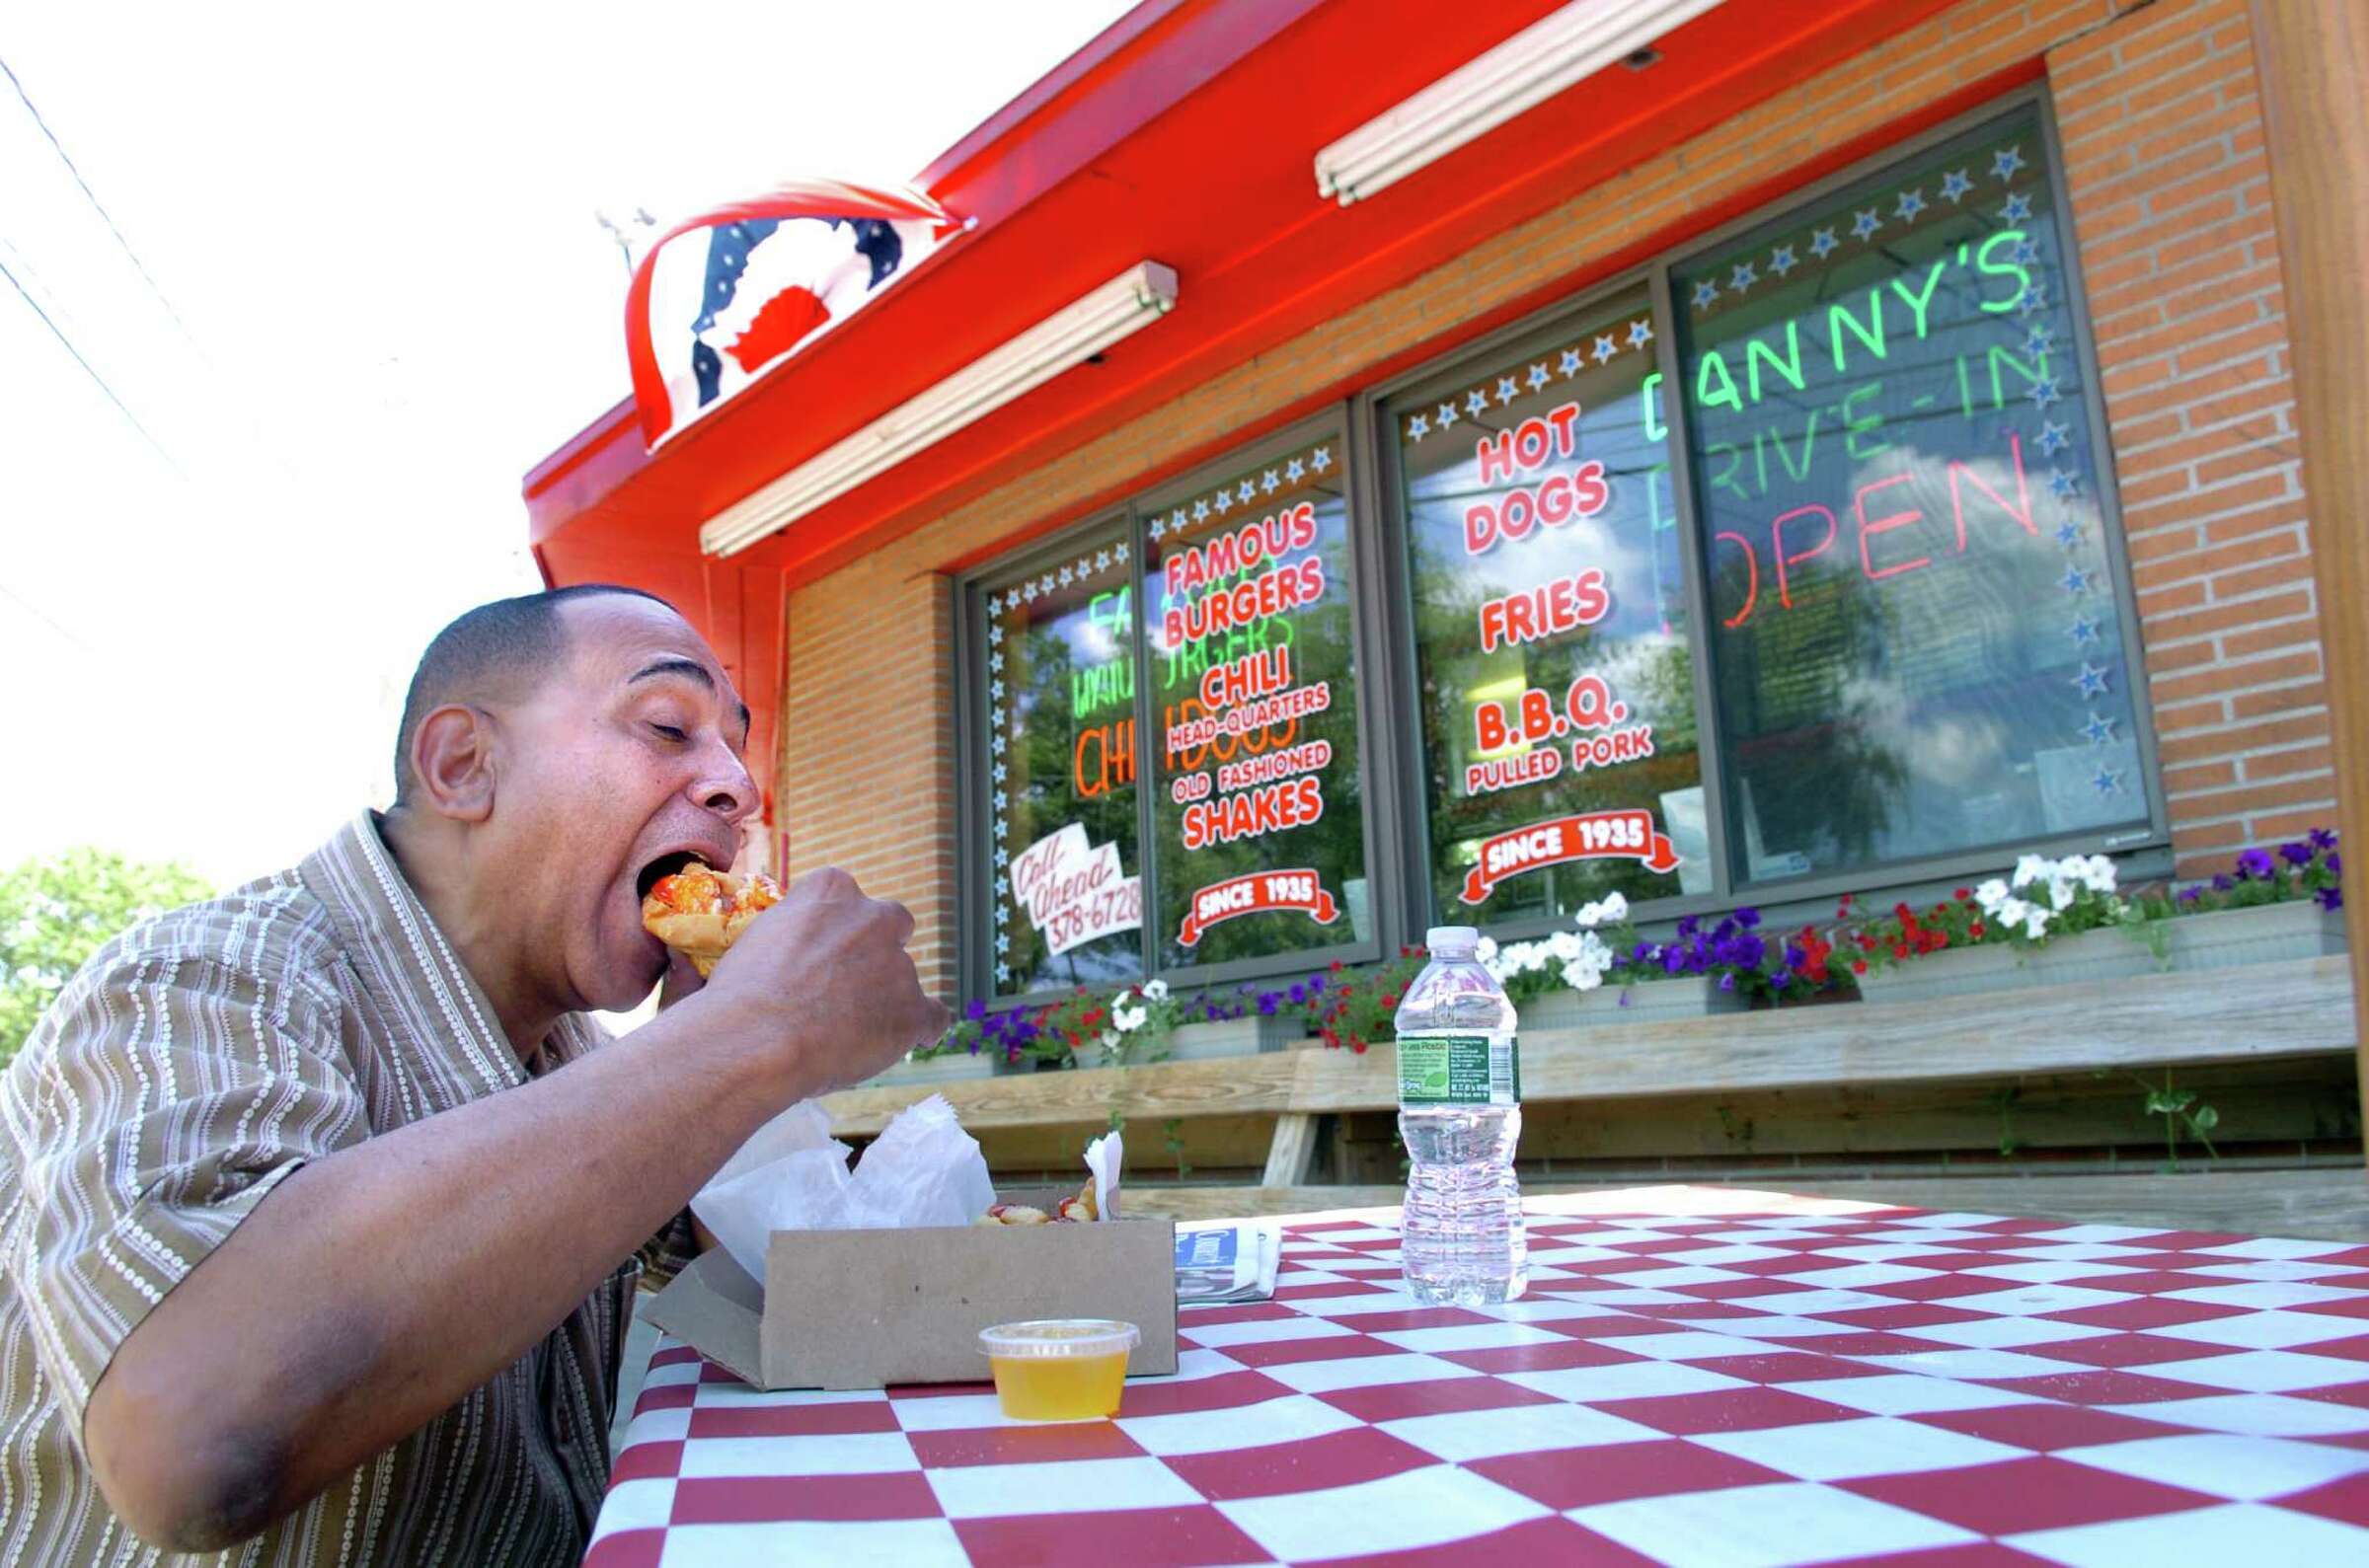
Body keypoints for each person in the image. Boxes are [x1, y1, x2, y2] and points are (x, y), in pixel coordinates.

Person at [0, 585, 948, 1565]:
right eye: (669, 725)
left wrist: (721, 1054)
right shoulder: (206, 975)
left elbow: (749, 1320)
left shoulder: (577, 1056)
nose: (737, 789)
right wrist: (751, 1032)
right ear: (463, 765)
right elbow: (186, 1438)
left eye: (736, 747)